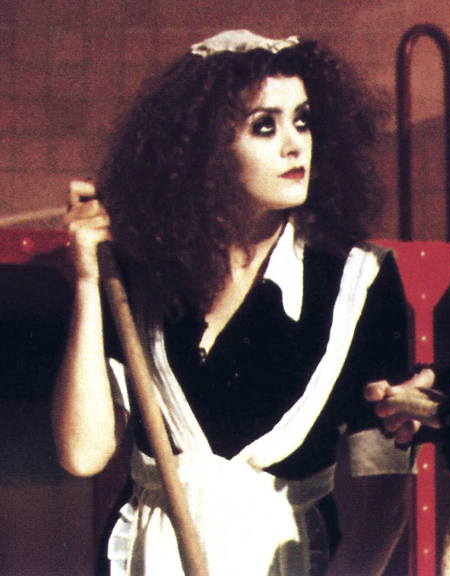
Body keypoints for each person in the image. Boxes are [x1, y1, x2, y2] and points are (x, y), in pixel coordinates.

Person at [52, 30, 416, 576]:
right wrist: (87, 279)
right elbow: (82, 454)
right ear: (204, 148)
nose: (295, 145)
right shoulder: (141, 271)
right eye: (265, 126)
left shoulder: (360, 281)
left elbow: (385, 505)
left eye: (303, 121)